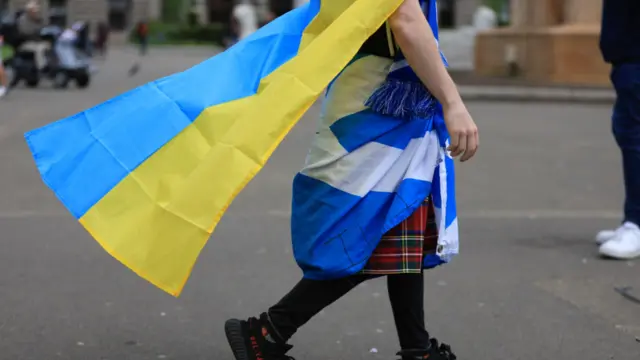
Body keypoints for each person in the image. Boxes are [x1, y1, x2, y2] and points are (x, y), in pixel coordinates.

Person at [223, 1, 478, 360]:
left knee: (400, 233)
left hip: (391, 115)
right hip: (372, 119)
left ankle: (417, 349)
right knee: (366, 235)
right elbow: (404, 17)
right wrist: (452, 102)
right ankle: (266, 332)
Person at [596, 0, 640, 260]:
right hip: (627, 52)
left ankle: (636, 223)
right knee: (627, 130)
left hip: (635, 52)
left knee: (634, 135)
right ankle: (632, 219)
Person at [17, 1, 48, 71]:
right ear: (29, 11)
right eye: (34, 11)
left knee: (49, 46)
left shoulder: (38, 20)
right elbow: (25, 32)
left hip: (37, 42)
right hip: (25, 43)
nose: (36, 13)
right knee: (40, 49)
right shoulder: (23, 20)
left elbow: (44, 28)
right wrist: (37, 30)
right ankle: (42, 68)